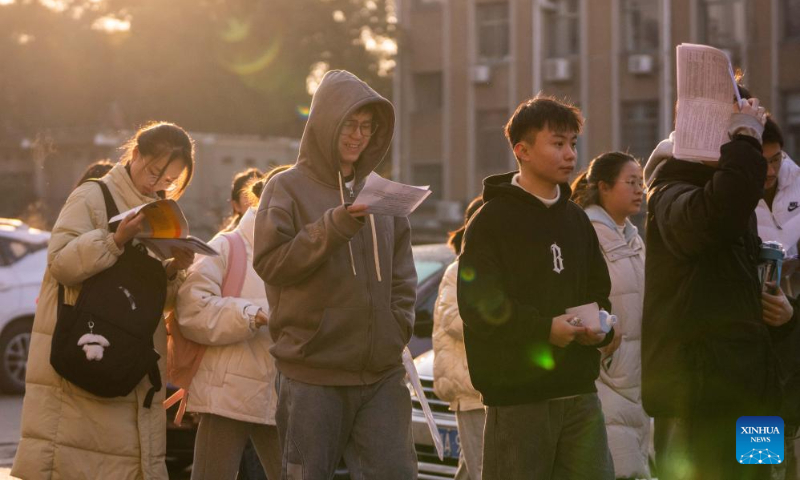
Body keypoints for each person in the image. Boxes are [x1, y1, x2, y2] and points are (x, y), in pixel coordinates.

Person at [252, 70, 417, 479]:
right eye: (349, 124)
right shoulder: (286, 187)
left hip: (381, 372)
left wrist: (398, 325)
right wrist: (335, 225)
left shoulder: (381, 192)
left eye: (367, 127)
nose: (358, 136)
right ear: (326, 124)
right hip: (313, 373)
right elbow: (272, 263)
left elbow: (403, 275)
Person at [12, 122, 196, 480]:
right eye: (154, 171)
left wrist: (173, 269)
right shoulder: (91, 197)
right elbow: (61, 263)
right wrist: (114, 239)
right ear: (136, 154)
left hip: (129, 368)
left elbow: (149, 303)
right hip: (89, 362)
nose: (159, 183)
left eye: (170, 179)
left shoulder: (159, 213)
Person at [457, 95, 615, 480]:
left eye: (573, 144)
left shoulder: (577, 220)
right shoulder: (491, 220)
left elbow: (599, 290)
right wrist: (545, 330)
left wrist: (599, 328)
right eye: (557, 143)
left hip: (579, 393)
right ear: (522, 150)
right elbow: (479, 306)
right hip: (518, 398)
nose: (569, 154)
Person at [642, 97, 796, 480]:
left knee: (763, 475)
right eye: (740, 129)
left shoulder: (736, 196)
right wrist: (744, 140)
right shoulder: (671, 188)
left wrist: (787, 315)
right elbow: (712, 220)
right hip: (697, 400)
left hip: (753, 393)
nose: (767, 169)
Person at [176, 175, 280, 480]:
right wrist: (253, 314)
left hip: (282, 389)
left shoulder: (300, 250)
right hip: (227, 391)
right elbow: (192, 310)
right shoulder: (227, 245)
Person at [571, 152, 650, 480]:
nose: (640, 190)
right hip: (606, 376)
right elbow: (576, 297)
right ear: (603, 186)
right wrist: (604, 343)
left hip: (637, 379)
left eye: (642, 183)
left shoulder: (632, 235)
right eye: (631, 182)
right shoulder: (585, 231)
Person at [432, 196, 485, 480]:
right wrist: (505, 325)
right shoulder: (459, 270)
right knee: (481, 470)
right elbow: (453, 319)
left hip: (490, 388)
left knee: (473, 468)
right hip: (470, 389)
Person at [756, 117, 800, 258]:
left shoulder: (797, 180)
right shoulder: (728, 194)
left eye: (775, 159)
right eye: (761, 162)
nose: (771, 172)